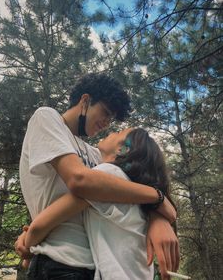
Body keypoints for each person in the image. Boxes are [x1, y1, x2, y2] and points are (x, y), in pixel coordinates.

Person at [16, 73, 179, 280]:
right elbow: (79, 181)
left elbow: (127, 189)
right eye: (105, 112)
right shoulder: (47, 118)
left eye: (111, 118)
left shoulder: (95, 154)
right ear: (85, 101)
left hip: (95, 267)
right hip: (59, 262)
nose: (107, 123)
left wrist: (157, 217)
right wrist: (157, 198)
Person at [23, 127, 177, 280]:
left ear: (122, 149)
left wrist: (27, 244)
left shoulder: (110, 175)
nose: (112, 131)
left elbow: (40, 225)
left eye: (119, 132)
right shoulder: (135, 195)